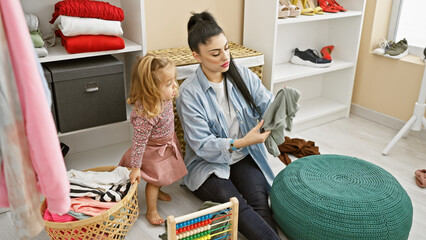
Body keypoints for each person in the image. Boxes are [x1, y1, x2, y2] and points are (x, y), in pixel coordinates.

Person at [176, 11, 281, 240]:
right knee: (237, 207)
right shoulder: (189, 94)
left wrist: (273, 119)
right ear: (197, 56)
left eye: (226, 48)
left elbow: (268, 103)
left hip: (243, 157)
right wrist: (243, 141)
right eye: (215, 53)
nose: (225, 57)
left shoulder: (241, 74)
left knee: (260, 204)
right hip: (207, 166)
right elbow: (202, 145)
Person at [119, 54, 187, 225]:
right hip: (154, 151)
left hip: (167, 142)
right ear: (151, 90)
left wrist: (171, 88)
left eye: (174, 80)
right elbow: (139, 143)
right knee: (154, 182)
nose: (175, 86)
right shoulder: (146, 115)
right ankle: (151, 211)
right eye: (169, 83)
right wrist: (135, 168)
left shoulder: (164, 97)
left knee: (164, 174)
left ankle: (159, 191)